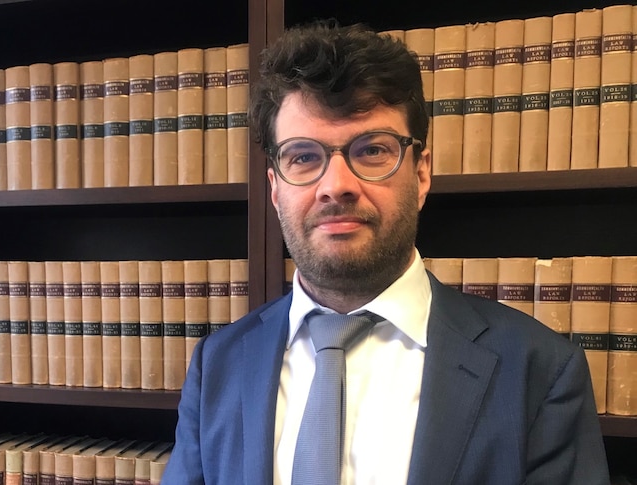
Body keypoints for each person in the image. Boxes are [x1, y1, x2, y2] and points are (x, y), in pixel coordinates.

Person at [162, 19, 610, 485]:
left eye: (372, 150)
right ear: (275, 189)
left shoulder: (540, 372)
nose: (336, 186)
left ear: (420, 174)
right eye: (303, 157)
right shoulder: (219, 363)